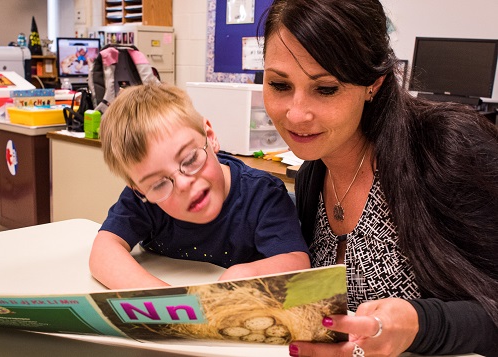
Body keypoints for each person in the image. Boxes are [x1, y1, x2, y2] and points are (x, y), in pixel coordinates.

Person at [261, 0, 498, 356]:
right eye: (279, 85)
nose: (296, 114)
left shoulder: (444, 149)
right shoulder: (313, 176)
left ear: (373, 83)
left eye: (325, 89)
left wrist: (419, 325)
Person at [88, 83, 310, 290]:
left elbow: (297, 262)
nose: (183, 184)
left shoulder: (263, 195)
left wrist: (245, 273)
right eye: (158, 183)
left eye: (190, 160)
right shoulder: (144, 200)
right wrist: (163, 298)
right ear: (140, 190)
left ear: (210, 137)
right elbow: (104, 250)